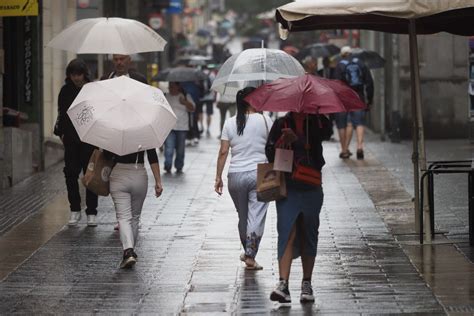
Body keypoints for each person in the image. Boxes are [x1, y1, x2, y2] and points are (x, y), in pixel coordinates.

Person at [265, 112, 332, 304]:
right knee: (287, 231)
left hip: (311, 185)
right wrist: (281, 141)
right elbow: (269, 152)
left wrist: (300, 140)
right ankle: (283, 284)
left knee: (309, 231)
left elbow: (326, 135)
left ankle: (306, 283)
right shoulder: (281, 123)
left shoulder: (318, 122)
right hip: (288, 187)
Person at [215, 87, 272, 270]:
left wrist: (218, 177)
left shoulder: (230, 122)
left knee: (243, 216)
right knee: (256, 216)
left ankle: (248, 250)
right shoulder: (265, 120)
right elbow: (274, 145)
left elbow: (224, 151)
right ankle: (250, 255)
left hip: (236, 175)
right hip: (260, 173)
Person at [54, 58, 98, 227]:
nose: (76, 78)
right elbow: (61, 114)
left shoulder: (92, 90)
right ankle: (75, 209)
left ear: (84, 74)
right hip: (71, 140)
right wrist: (62, 134)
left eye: (79, 74)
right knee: (70, 174)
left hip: (89, 140)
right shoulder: (65, 91)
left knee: (90, 176)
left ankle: (92, 211)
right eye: (73, 74)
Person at [105, 148, 163, 269]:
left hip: (118, 174)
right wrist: (158, 181)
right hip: (139, 173)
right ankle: (130, 251)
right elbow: (152, 156)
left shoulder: (115, 130)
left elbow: (107, 155)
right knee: (135, 217)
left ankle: (128, 250)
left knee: (123, 217)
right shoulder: (144, 131)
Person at [334, 46, 374, 159]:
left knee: (342, 124)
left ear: (342, 55)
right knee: (359, 123)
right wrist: (369, 100)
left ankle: (344, 149)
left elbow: (335, 85)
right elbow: (369, 83)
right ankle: (360, 147)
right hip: (358, 97)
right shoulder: (360, 63)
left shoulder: (340, 65)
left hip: (343, 99)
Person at [164, 82, 195, 174]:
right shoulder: (166, 96)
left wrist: (184, 102)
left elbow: (193, 108)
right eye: (169, 87)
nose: (170, 89)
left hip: (182, 127)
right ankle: (168, 166)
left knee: (180, 149)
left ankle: (179, 166)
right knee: (169, 148)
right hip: (169, 127)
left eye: (172, 87)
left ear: (178, 87)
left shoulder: (185, 96)